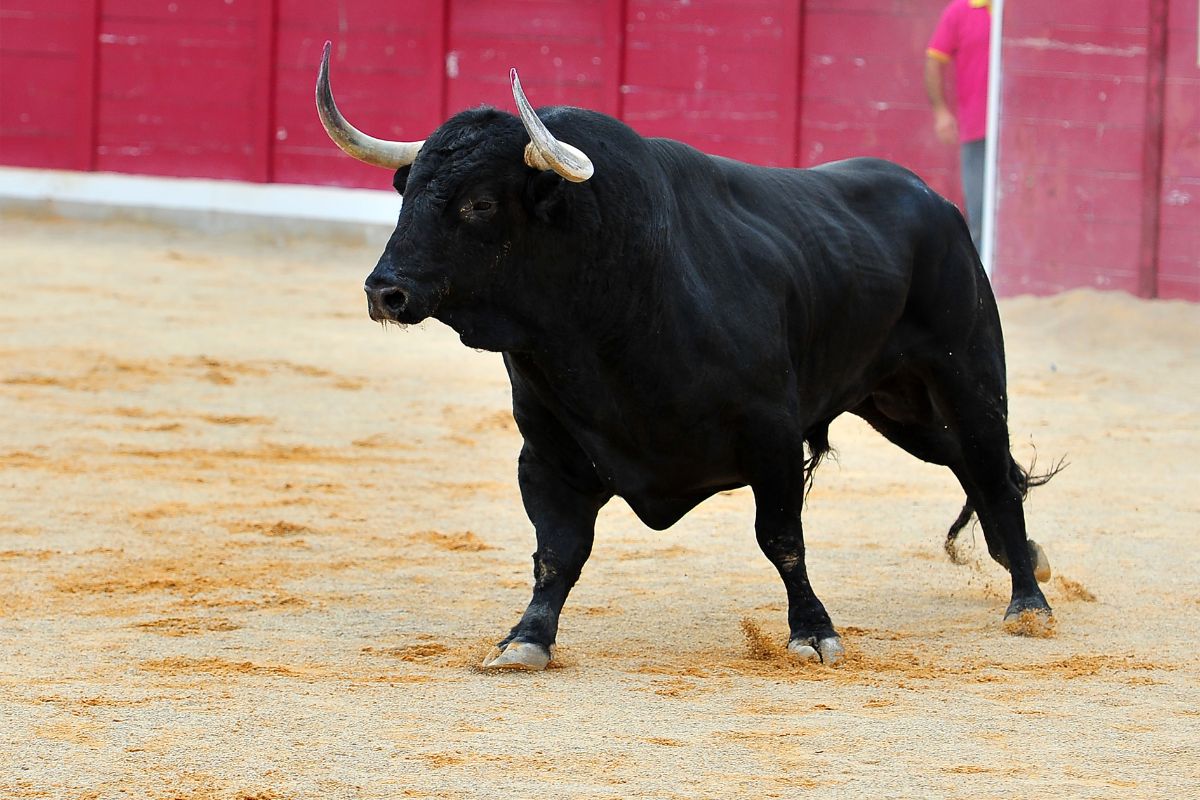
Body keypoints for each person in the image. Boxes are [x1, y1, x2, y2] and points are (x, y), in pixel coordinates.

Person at [925, 0, 991, 252]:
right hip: (976, 130)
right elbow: (933, 60)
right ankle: (982, 282)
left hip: (1018, 134)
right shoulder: (960, 11)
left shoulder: (1015, 9)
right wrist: (941, 111)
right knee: (978, 212)